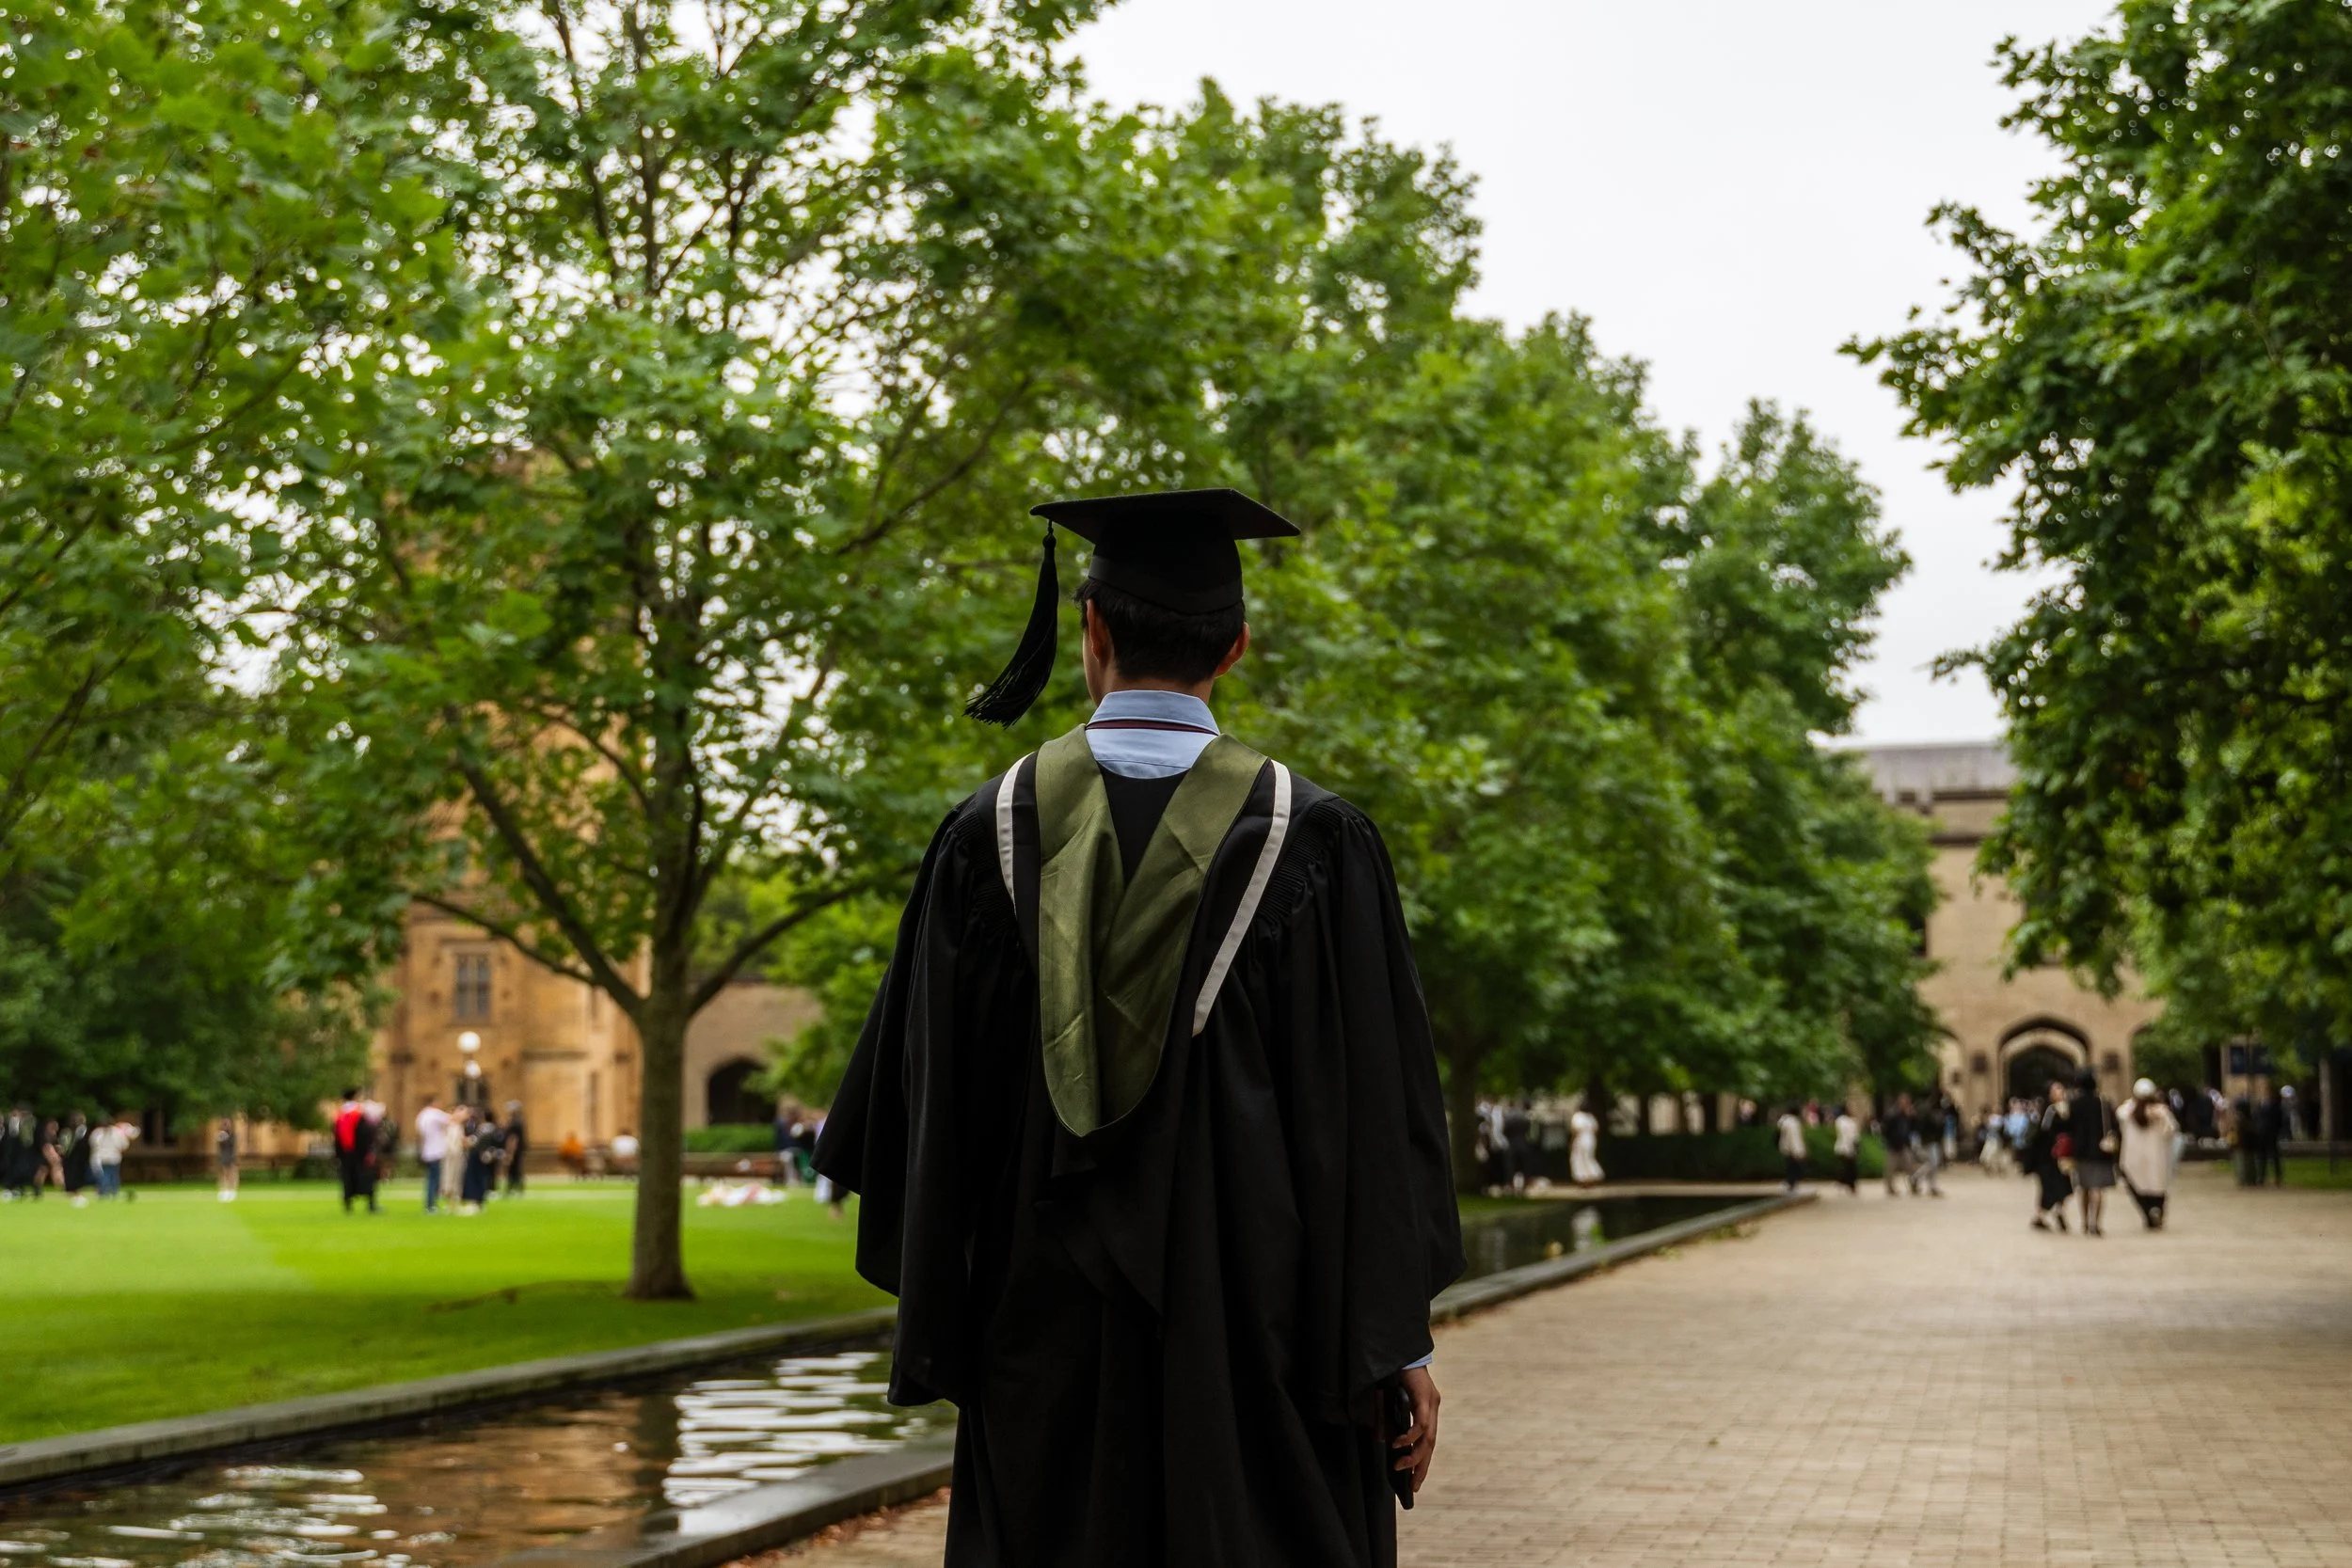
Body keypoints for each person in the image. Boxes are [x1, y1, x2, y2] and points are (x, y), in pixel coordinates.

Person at [816, 488, 1464, 1568]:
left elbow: (917, 1123)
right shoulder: (1318, 842)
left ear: (1092, 633)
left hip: (1044, 1361)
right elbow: (1373, 1125)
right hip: (1267, 1354)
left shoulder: (984, 840)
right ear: (1237, 647)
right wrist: (1393, 1339)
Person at [2117, 1077, 2178, 1229]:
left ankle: (2147, 1213)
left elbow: (2119, 1117)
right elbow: (2171, 1130)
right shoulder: (2161, 1111)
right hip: (2156, 1158)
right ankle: (2156, 1211)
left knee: (2138, 1188)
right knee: (2158, 1189)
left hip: (2134, 1159)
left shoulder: (2127, 1110)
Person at [2066, 1069, 2118, 1235]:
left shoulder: (2074, 1104)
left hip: (2081, 1151)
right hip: (2101, 1151)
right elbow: (2114, 1126)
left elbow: (2068, 1127)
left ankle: (2085, 1222)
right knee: (2098, 1188)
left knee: (2085, 1188)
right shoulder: (2104, 1103)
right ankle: (2096, 1222)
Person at [2027, 1082, 2074, 1231]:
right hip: (2049, 1157)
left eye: (2061, 1089)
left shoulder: (2068, 1109)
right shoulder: (2050, 1111)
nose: (2059, 1092)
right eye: (2055, 1090)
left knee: (2063, 1186)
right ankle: (2044, 1216)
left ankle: (2054, 1213)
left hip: (2063, 1156)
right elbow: (2044, 1132)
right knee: (2050, 1187)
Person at [331, 1088, 377, 1213]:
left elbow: (336, 1136)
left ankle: (348, 1205)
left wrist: (338, 1154)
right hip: (359, 1153)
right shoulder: (359, 1114)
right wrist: (368, 1150)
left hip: (345, 1153)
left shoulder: (340, 1115)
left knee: (348, 1178)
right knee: (367, 1178)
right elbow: (366, 1133)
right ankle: (371, 1205)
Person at [460, 1107, 504, 1212]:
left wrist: (463, 1140)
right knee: (482, 1178)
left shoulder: (485, 1128)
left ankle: (476, 1202)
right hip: (485, 1156)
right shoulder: (493, 1127)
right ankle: (479, 1202)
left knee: (475, 1179)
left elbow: (474, 1141)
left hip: (477, 1156)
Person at [416, 1095, 453, 1212]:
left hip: (427, 1151)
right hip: (436, 1151)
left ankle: (431, 1203)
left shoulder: (422, 1116)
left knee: (431, 1178)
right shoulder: (434, 1114)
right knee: (434, 1180)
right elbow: (451, 1119)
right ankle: (431, 1204)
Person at [89, 1112, 135, 1199]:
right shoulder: (117, 1132)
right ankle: (112, 1191)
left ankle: (105, 1191)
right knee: (112, 1175)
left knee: (105, 1175)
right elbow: (124, 1145)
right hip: (112, 1157)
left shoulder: (97, 1133)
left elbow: (93, 1144)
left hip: (102, 1157)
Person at [1881, 1094, 1917, 1196]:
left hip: (1904, 1144)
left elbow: (1913, 1127)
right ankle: (1890, 1187)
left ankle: (1914, 1186)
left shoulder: (1906, 1115)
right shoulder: (1892, 1114)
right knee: (1890, 1168)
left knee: (1910, 1166)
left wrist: (1912, 1116)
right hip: (1893, 1145)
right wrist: (1889, 1140)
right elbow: (1886, 1129)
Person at [0, 1106, 35, 1199]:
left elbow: (26, 1139)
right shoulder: (7, 1123)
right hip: (8, 1152)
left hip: (18, 1152)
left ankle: (18, 1189)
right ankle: (10, 1188)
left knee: (19, 1170)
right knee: (8, 1170)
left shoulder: (24, 1124)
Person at [58, 1112, 90, 1205]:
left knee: (79, 1173)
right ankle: (70, 1189)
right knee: (69, 1173)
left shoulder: (84, 1131)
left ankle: (77, 1189)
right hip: (69, 1156)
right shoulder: (67, 1132)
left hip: (81, 1157)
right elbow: (65, 1144)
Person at [1567, 1103, 1603, 1186]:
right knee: (1589, 1157)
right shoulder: (1591, 1117)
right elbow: (1596, 1130)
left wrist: (1572, 1142)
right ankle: (1592, 1175)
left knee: (1578, 1157)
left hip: (1581, 1138)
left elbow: (1575, 1130)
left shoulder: (1577, 1116)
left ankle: (1583, 1178)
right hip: (1591, 1138)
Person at [1775, 1104, 1807, 1190]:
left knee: (1789, 1165)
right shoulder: (1793, 1123)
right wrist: (1798, 1150)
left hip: (1786, 1147)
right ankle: (1791, 1182)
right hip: (1793, 1148)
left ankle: (1790, 1182)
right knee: (1794, 1166)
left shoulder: (1784, 1121)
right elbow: (1794, 1137)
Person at [502, 1100, 529, 1196]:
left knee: (513, 1169)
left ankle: (512, 1189)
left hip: (515, 1150)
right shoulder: (520, 1121)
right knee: (516, 1169)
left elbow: (513, 1139)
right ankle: (517, 1188)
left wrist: (510, 1153)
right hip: (519, 1149)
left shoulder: (514, 1123)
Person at [1832, 1106, 1860, 1194]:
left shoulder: (1840, 1121)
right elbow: (1854, 1136)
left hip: (1842, 1146)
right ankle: (1849, 1185)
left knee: (1846, 1167)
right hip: (1847, 1146)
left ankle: (1844, 1183)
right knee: (1850, 1168)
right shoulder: (1851, 1122)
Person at [215, 1117, 240, 1201]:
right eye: (225, 1124)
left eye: (227, 1124)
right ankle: (224, 1191)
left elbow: (234, 1146)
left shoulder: (233, 1135)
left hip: (231, 1156)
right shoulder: (221, 1135)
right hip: (223, 1156)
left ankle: (233, 1192)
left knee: (232, 1174)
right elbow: (219, 1145)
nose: (226, 1126)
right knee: (224, 1174)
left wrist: (235, 1157)